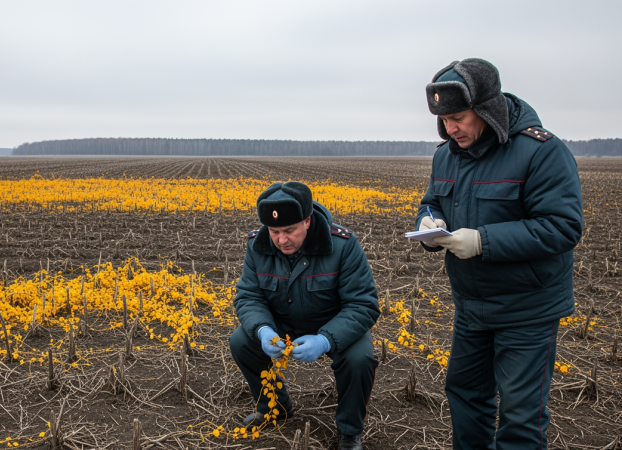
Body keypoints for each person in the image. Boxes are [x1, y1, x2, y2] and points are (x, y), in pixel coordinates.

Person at [417, 58, 583, 449]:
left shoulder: (541, 152)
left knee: (520, 418)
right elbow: (431, 201)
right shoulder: (446, 155)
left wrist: (482, 241)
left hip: (528, 309)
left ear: (487, 108)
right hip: (472, 306)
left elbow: (562, 227)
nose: (449, 128)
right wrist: (428, 222)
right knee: (466, 399)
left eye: (457, 117)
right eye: (443, 120)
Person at [230, 181, 380, 450]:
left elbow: (363, 305)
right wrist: (264, 330)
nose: (282, 240)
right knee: (242, 341)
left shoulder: (342, 245)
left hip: (333, 324)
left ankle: (349, 431)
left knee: (360, 359)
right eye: (274, 231)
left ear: (308, 221)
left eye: (290, 230)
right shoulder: (257, 245)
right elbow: (249, 297)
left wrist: (325, 340)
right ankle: (275, 409)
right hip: (282, 323)